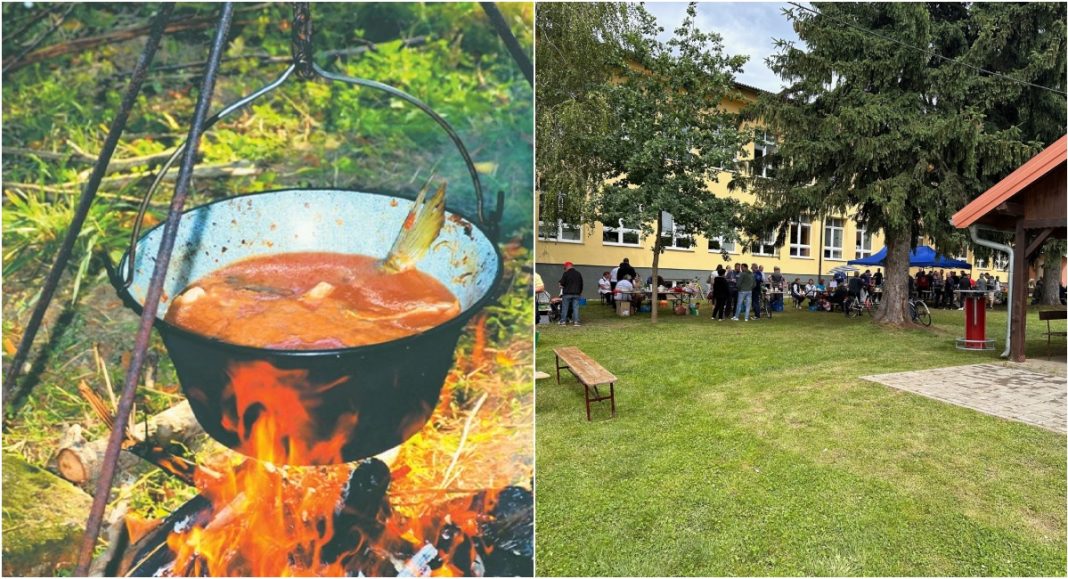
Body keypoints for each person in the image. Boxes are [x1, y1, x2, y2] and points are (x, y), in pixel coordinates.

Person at [558, 262, 583, 326]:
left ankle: (563, 321)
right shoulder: (578, 273)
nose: (564, 269)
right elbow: (581, 284)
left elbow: (561, 284)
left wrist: (560, 285)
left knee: (565, 307)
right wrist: (579, 292)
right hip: (576, 293)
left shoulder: (566, 274)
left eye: (564, 268)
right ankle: (576, 322)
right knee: (576, 308)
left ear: (567, 266)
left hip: (567, 293)